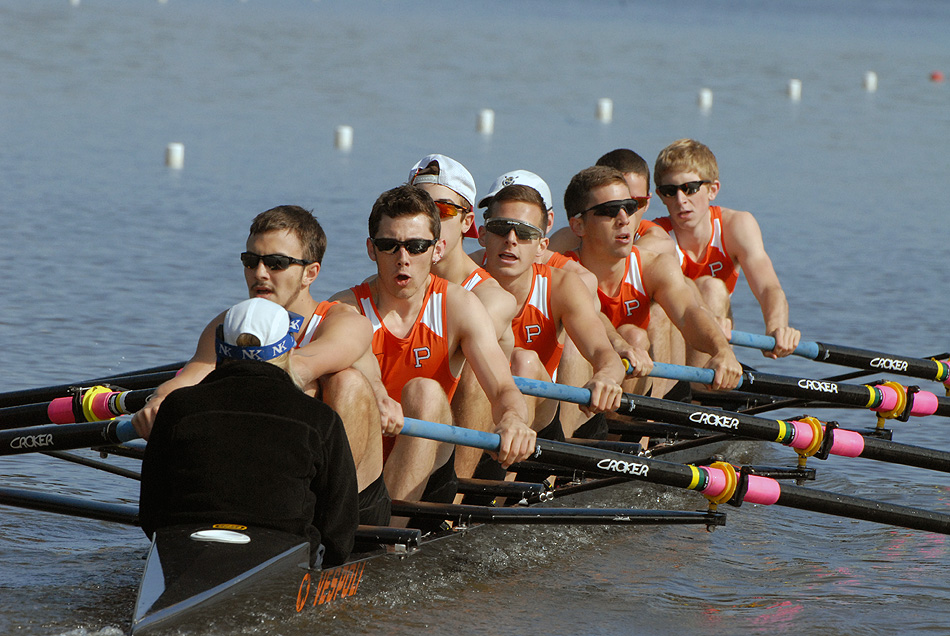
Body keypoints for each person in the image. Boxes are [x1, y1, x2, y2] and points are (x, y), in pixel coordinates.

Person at [131, 205, 389, 527]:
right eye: (251, 261)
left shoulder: (343, 322)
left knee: (342, 382)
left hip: (351, 503)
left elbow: (296, 370)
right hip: (278, 488)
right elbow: (193, 375)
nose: (260, 274)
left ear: (310, 273)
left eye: (277, 263)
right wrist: (159, 402)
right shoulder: (229, 324)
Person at [330, 185, 535, 517]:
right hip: (364, 465)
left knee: (424, 392)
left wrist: (513, 419)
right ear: (371, 249)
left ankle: (382, 538)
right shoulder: (345, 307)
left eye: (416, 246)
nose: (403, 258)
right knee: (341, 383)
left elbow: (502, 388)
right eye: (389, 246)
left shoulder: (458, 306)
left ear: (437, 249)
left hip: (430, 473)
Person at [139, 298, 360, 568]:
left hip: (185, 544)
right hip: (284, 552)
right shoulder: (321, 418)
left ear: (221, 349)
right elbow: (339, 529)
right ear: (287, 350)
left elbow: (150, 514)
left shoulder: (177, 406)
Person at [562, 165, 743, 396]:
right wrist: (618, 344)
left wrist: (722, 350)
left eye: (629, 207)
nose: (624, 219)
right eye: (609, 211)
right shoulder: (563, 272)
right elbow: (590, 314)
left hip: (631, 375)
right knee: (625, 338)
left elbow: (689, 312)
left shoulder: (654, 266)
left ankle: (665, 417)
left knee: (635, 335)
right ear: (578, 225)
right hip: (583, 385)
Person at [479, 183, 626, 438]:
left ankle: (517, 469)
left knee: (522, 360)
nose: (511, 240)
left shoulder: (562, 286)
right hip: (480, 407)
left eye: (525, 233)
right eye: (501, 228)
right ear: (482, 235)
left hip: (539, 417)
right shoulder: (462, 285)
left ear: (541, 246)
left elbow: (604, 353)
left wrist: (606, 377)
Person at [406, 154, 517, 485]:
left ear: (468, 221)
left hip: (465, 443)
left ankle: (451, 508)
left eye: (442, 211)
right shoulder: (393, 279)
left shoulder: (490, 298)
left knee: (471, 374)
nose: (431, 222)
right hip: (407, 417)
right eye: (420, 210)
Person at [652, 138, 800, 361]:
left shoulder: (736, 226)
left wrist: (776, 328)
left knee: (711, 288)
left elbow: (769, 287)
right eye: (670, 191)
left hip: (713, 338)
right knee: (697, 289)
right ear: (661, 196)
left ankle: (706, 385)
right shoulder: (655, 236)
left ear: (713, 190)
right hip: (671, 338)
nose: (681, 200)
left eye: (690, 189)